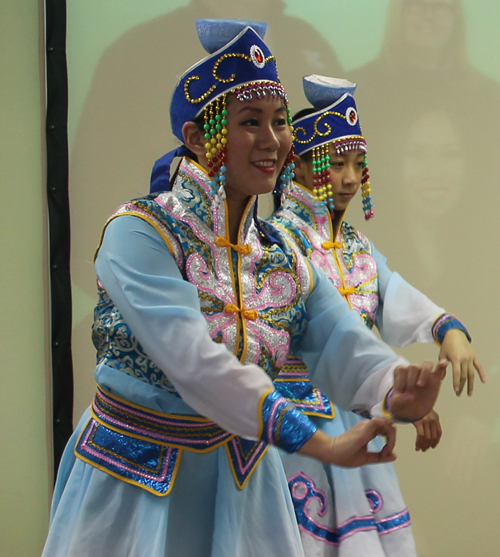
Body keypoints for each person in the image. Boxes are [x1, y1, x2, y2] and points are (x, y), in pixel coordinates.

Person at [42, 24, 446, 557]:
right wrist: (317, 441)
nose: (273, 140)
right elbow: (192, 360)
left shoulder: (281, 252)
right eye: (249, 122)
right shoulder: (140, 233)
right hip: (135, 485)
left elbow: (335, 339)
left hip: (243, 486)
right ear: (196, 137)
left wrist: (395, 386)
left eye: (280, 122)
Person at [268, 75, 484, 556]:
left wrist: (447, 331)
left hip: (358, 417)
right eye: (334, 164)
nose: (348, 178)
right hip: (297, 425)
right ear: (296, 167)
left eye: (356, 165)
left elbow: (397, 296)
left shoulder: (358, 248)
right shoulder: (277, 242)